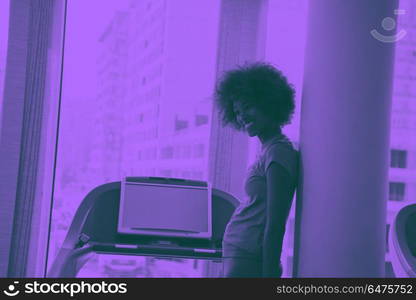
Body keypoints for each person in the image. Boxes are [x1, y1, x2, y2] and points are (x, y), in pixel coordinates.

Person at [214, 62, 298, 278]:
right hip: (240, 250)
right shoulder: (267, 149)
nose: (242, 117)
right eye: (238, 112)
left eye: (248, 107)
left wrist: (270, 271)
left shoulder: (279, 152)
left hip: (249, 253)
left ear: (269, 103)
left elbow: (276, 222)